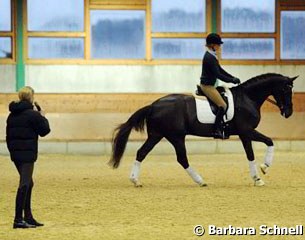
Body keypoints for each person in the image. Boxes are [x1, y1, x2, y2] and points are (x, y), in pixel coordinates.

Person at [6, 86, 50, 229]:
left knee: (29, 183)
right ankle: (18, 219)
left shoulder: (12, 115)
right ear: (31, 97)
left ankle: (28, 217)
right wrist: (42, 116)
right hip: (27, 154)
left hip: (16, 154)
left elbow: (8, 136)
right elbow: (45, 131)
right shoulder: (33, 114)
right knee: (25, 184)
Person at [200, 33, 241, 139]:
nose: (219, 46)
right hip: (207, 86)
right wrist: (231, 80)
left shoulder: (212, 56)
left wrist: (232, 77)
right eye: (218, 44)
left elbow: (220, 70)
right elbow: (218, 75)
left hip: (210, 85)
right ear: (213, 45)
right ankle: (216, 130)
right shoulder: (209, 57)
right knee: (222, 105)